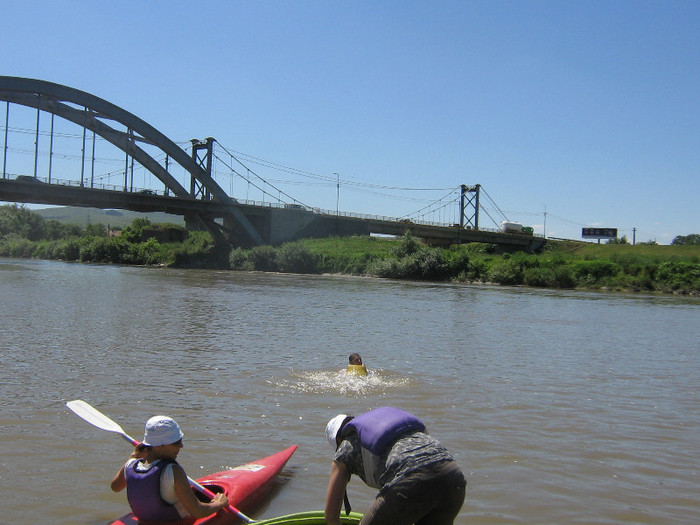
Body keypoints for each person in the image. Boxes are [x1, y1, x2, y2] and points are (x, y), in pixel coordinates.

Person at [324, 407, 465, 525]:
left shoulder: (345, 446)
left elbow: (331, 517)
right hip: (453, 476)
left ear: (338, 439)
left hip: (413, 480)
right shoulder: (382, 425)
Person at [110, 415, 228, 523]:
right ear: (159, 445)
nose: (181, 446)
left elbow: (115, 487)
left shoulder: (130, 465)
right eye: (176, 442)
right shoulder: (174, 471)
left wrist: (134, 456)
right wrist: (219, 503)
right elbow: (198, 512)